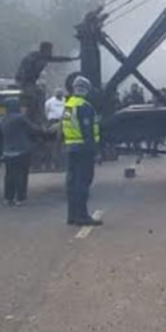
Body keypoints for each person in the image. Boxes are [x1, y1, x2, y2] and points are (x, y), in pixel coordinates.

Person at [63, 76, 102, 226]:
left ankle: (72, 216)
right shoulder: (84, 106)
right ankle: (82, 216)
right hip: (83, 149)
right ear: (86, 89)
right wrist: (95, 151)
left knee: (72, 183)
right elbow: (87, 131)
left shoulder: (69, 104)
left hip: (71, 147)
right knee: (83, 183)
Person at [14, 41, 77, 124]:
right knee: (34, 96)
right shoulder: (32, 57)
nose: (51, 53)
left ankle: (38, 118)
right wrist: (25, 83)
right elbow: (23, 70)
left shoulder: (45, 57)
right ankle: (35, 119)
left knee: (40, 93)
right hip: (24, 81)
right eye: (50, 51)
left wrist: (71, 59)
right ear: (44, 50)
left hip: (31, 82)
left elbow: (57, 59)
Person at [0, 97, 41, 206]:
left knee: (9, 175)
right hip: (22, 151)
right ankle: (20, 199)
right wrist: (43, 130)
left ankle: (8, 198)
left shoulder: (4, 119)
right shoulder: (20, 118)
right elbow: (33, 129)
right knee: (21, 175)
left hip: (7, 152)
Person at [44, 88, 66, 171]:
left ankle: (62, 164)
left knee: (62, 145)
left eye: (60, 92)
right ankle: (54, 164)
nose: (59, 94)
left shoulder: (65, 101)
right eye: (57, 92)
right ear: (55, 93)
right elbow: (46, 112)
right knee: (54, 145)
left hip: (63, 123)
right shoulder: (49, 102)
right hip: (53, 122)